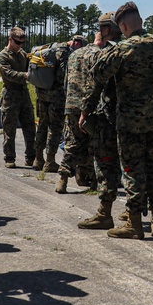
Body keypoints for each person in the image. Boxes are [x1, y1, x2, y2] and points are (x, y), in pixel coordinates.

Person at [81, 2, 153, 239]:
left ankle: (133, 223)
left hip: (130, 122)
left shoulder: (123, 49)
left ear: (123, 26)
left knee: (133, 170)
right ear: (141, 21)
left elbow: (97, 72)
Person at [76, 12, 126, 229]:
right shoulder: (133, 48)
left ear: (106, 30)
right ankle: (131, 211)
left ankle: (104, 213)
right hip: (132, 118)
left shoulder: (107, 52)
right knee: (134, 166)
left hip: (108, 117)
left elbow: (95, 84)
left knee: (105, 164)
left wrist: (85, 111)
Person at [57, 34, 99, 194]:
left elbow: (66, 81)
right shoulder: (97, 54)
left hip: (71, 104)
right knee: (94, 143)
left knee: (72, 142)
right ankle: (94, 180)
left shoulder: (73, 55)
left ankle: (64, 178)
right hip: (88, 106)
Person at [0, 27, 37, 169]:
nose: (20, 45)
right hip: (10, 95)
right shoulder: (3, 56)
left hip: (23, 94)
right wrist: (25, 75)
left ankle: (31, 157)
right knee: (9, 128)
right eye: (17, 42)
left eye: (22, 43)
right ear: (10, 39)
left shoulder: (23, 54)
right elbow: (8, 74)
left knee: (30, 127)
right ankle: (9, 158)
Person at [32, 38, 73, 172]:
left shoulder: (48, 48)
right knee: (55, 127)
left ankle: (38, 159)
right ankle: (50, 161)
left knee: (42, 125)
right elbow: (63, 75)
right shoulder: (64, 52)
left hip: (41, 93)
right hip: (56, 97)